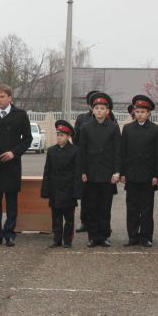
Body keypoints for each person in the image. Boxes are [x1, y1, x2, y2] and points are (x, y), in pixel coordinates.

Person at [0, 84, 32, 247]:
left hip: (11, 165)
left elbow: (27, 139)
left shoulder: (20, 115)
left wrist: (14, 152)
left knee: (11, 202)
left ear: (10, 98)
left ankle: (9, 234)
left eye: (2, 97)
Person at [77, 92, 121, 248]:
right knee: (91, 207)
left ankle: (104, 236)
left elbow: (117, 151)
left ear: (108, 111)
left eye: (103, 108)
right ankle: (93, 236)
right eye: (97, 108)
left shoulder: (114, 128)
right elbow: (81, 151)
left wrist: (117, 172)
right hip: (90, 173)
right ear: (92, 110)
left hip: (107, 174)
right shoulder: (85, 127)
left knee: (104, 207)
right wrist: (82, 172)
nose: (99, 111)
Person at [120, 95, 158, 247]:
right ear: (134, 112)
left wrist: (157, 175)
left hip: (148, 175)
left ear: (149, 113)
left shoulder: (156, 130)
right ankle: (133, 236)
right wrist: (122, 173)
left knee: (146, 208)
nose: (140, 114)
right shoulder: (127, 129)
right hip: (131, 175)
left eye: (143, 111)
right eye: (137, 111)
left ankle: (146, 236)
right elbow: (123, 152)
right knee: (132, 207)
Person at [41, 120, 82, 248]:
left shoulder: (75, 151)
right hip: (55, 189)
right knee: (56, 217)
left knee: (69, 218)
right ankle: (57, 239)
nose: (59, 137)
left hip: (68, 190)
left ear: (68, 136)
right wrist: (45, 190)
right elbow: (47, 171)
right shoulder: (52, 151)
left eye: (62, 135)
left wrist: (76, 192)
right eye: (58, 135)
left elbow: (77, 173)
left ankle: (67, 240)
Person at [73, 90, 99, 233]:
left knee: (101, 196)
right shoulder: (82, 119)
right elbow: (75, 140)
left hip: (101, 163)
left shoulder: (109, 118)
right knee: (85, 194)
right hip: (85, 162)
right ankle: (85, 221)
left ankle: (100, 223)